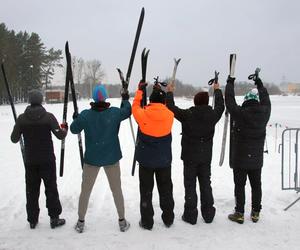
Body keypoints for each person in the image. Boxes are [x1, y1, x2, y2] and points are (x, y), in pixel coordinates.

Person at [70, 84, 131, 233]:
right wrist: (125, 99)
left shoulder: (85, 115)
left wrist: (77, 119)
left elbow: (73, 129)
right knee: (116, 189)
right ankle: (122, 221)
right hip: (111, 158)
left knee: (85, 191)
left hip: (92, 159)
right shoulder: (114, 113)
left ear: (93, 98)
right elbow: (127, 111)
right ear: (105, 97)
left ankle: (80, 222)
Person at [166, 82, 224, 225]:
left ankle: (190, 215)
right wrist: (217, 90)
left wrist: (169, 93)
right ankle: (208, 213)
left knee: (190, 185)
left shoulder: (188, 114)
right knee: (205, 184)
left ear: (195, 101)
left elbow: (171, 108)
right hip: (205, 157)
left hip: (190, 157)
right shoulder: (212, 115)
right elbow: (221, 107)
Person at [10, 89, 68, 229]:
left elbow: (14, 138)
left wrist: (18, 127)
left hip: (30, 161)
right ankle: (54, 218)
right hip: (47, 160)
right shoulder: (48, 117)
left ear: (30, 101)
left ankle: (32, 219)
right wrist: (64, 128)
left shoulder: (22, 119)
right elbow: (60, 135)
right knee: (51, 188)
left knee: (31, 190)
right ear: (41, 100)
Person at [225, 75, 271, 224]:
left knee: (240, 185)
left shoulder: (240, 114)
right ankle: (256, 212)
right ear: (256, 101)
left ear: (245, 101)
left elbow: (230, 101)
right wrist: (259, 83)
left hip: (240, 158)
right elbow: (266, 100)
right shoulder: (264, 113)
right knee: (256, 185)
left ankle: (239, 212)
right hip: (256, 159)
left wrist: (230, 83)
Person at [132, 82, 175, 230]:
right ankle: (168, 218)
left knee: (146, 192)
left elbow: (135, 107)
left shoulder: (143, 114)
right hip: (164, 161)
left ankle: (147, 221)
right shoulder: (170, 115)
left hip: (146, 162)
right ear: (163, 102)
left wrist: (139, 92)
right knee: (166, 190)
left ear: (150, 100)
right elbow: (168, 105)